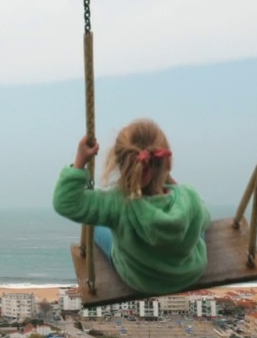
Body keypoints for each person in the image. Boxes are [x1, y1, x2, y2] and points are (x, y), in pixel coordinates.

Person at [52, 118, 209, 295]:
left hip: (139, 279)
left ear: (121, 163)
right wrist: (170, 182)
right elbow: (204, 219)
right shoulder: (189, 197)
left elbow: (66, 202)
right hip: (188, 273)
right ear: (167, 162)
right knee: (198, 221)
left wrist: (80, 160)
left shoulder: (117, 204)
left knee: (94, 226)